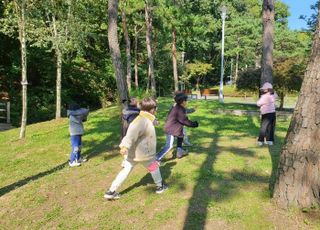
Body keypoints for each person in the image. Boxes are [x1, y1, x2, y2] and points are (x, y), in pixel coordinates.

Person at [104, 97, 167, 200]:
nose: (157, 110)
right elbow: (130, 135)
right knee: (154, 167)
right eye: (156, 108)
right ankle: (160, 186)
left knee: (125, 170)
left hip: (134, 154)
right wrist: (124, 146)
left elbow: (150, 121)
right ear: (152, 109)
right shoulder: (140, 121)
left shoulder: (145, 118)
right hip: (144, 154)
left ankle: (111, 191)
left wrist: (154, 122)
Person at [156, 92, 199, 161]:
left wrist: (193, 109)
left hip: (176, 128)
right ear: (183, 102)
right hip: (170, 129)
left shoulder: (178, 107)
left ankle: (180, 152)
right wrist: (194, 124)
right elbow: (185, 121)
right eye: (186, 100)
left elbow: (184, 115)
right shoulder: (179, 109)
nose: (187, 102)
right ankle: (156, 158)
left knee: (180, 136)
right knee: (169, 146)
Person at [67, 103, 89, 167]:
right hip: (74, 133)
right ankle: (71, 161)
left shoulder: (77, 114)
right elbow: (80, 119)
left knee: (79, 146)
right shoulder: (71, 115)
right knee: (75, 147)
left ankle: (78, 159)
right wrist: (83, 116)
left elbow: (85, 112)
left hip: (79, 132)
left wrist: (84, 117)